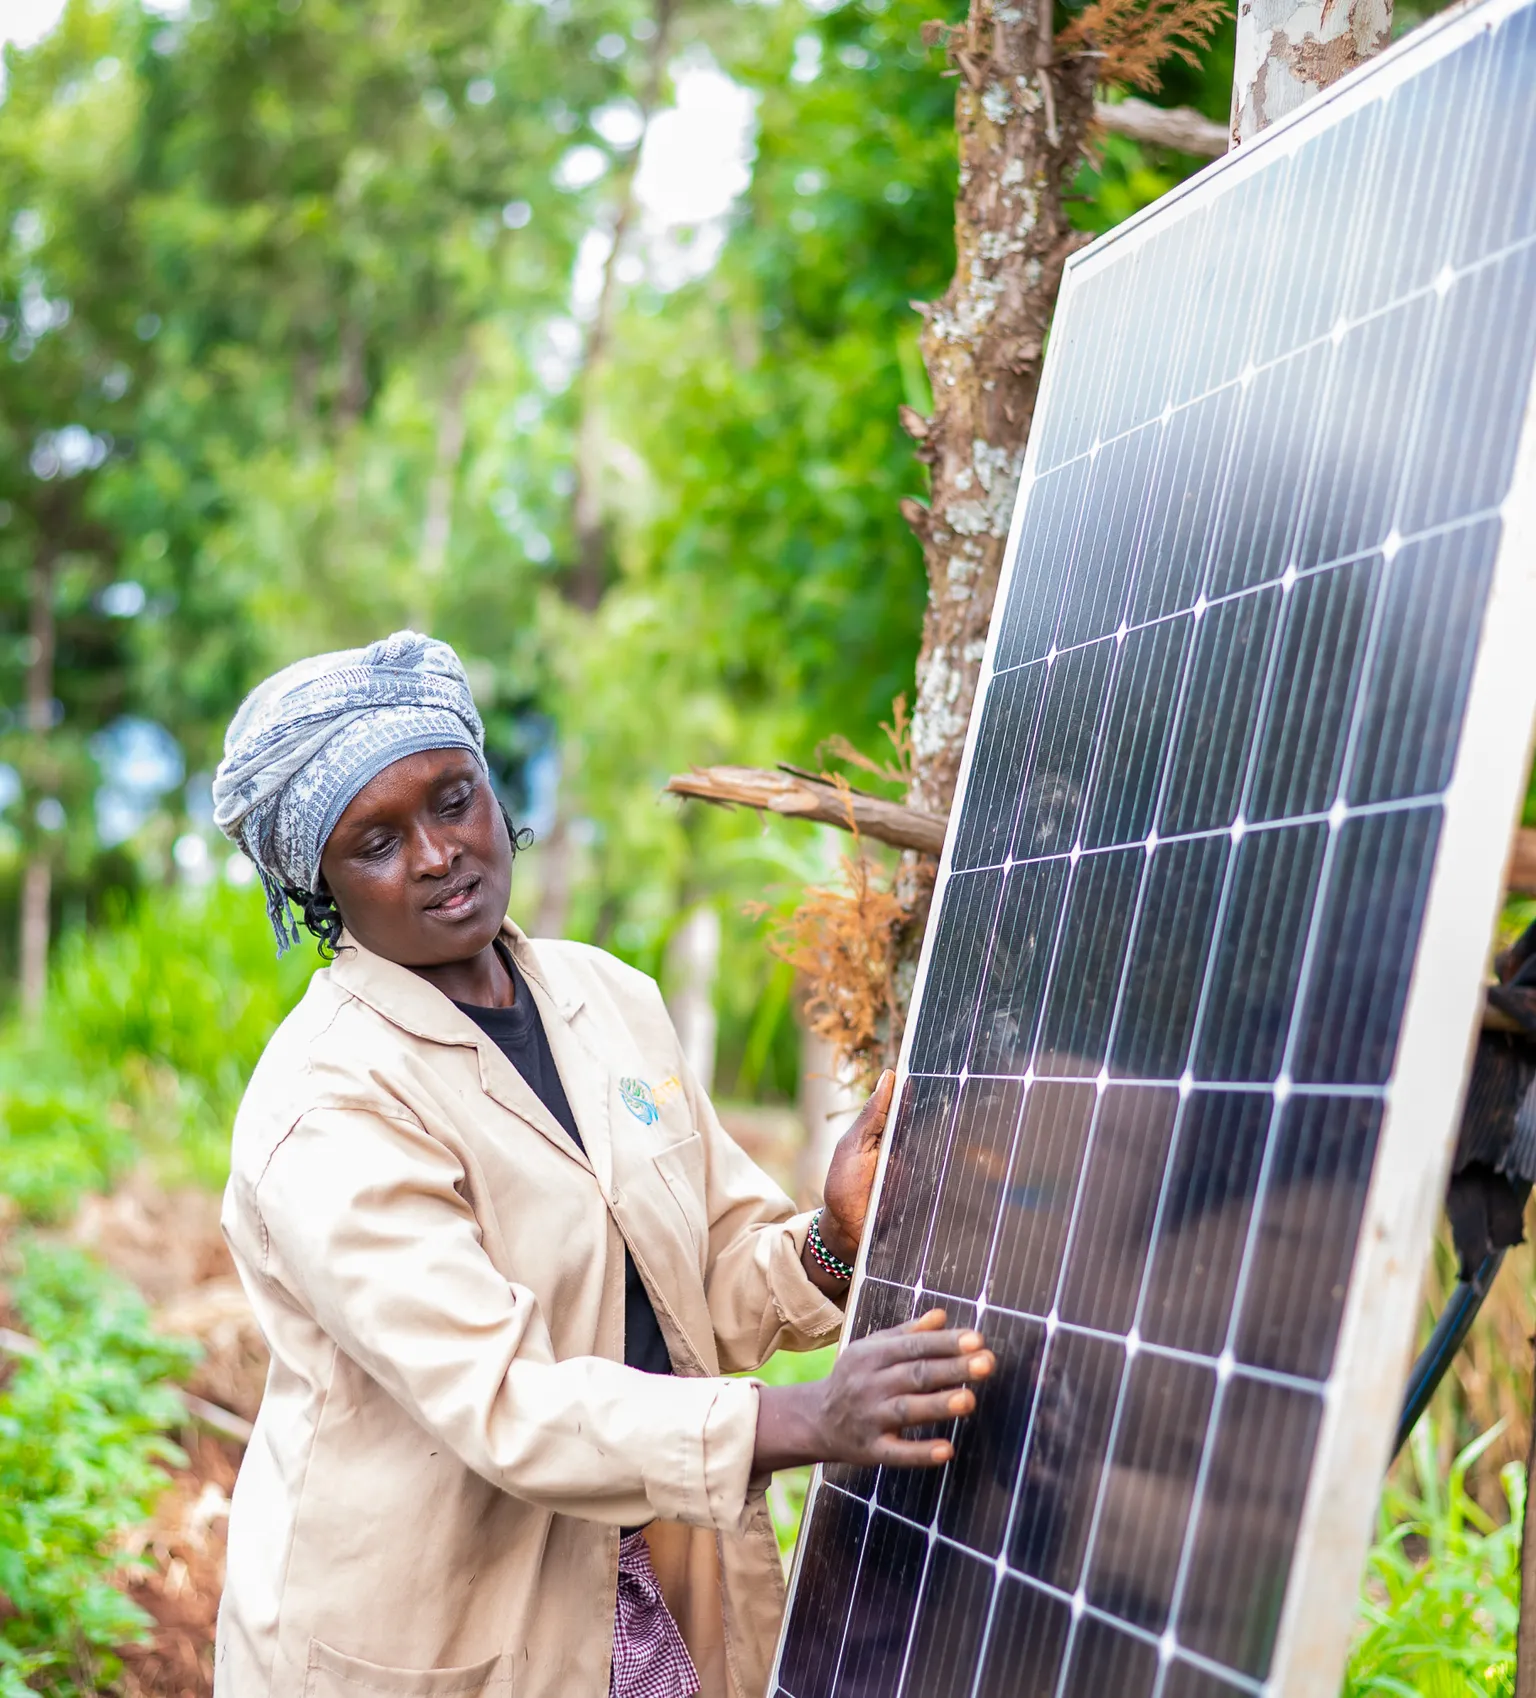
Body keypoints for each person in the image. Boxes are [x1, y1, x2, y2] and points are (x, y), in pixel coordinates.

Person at [209, 631, 993, 1698]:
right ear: (320, 884)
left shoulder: (607, 1000)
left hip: (646, 1580)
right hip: (441, 1623)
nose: (439, 854)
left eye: (452, 799)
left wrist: (831, 1242)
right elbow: (503, 1399)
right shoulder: (331, 1102)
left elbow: (694, 1293)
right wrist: (808, 1418)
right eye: (377, 842)